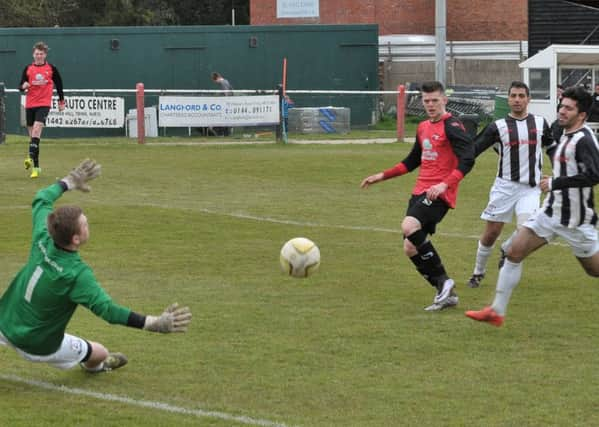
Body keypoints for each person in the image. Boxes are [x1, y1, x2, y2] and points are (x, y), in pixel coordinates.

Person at [0, 159, 192, 372]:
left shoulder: (42, 237)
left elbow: (41, 198)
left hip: (4, 322)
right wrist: (153, 323)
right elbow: (109, 311)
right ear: (75, 239)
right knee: (99, 352)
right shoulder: (77, 274)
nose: (88, 223)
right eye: (85, 224)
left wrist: (68, 181)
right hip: (37, 345)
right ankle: (97, 367)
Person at [466, 86, 599, 327]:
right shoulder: (562, 131)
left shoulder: (585, 140)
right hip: (549, 213)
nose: (561, 111)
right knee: (513, 252)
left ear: (581, 115)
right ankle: (496, 311)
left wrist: (556, 182)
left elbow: (594, 175)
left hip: (576, 220)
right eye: (561, 106)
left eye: (568, 108)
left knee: (594, 270)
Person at [360, 81, 475, 311]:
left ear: (445, 100)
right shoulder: (423, 127)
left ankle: (444, 280)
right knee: (410, 247)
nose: (431, 105)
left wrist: (445, 185)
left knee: (409, 225)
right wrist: (381, 176)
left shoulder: (452, 125)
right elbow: (412, 161)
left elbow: (468, 158)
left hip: (439, 194)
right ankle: (446, 294)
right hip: (420, 191)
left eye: (435, 100)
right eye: (426, 101)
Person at [467, 81, 555, 289]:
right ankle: (478, 272)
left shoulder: (541, 123)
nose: (517, 100)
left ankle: (506, 250)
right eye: (513, 96)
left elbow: (552, 148)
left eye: (521, 96)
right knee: (491, 233)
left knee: (526, 231)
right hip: (504, 187)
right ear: (508, 99)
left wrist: (556, 174)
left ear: (528, 99)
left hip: (530, 189)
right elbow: (474, 150)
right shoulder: (497, 127)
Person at [19, 41, 65, 179]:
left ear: (45, 55)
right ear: (33, 55)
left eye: (41, 54)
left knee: (37, 129)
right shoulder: (28, 68)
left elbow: (59, 85)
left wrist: (61, 101)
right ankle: (36, 167)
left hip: (44, 104)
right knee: (33, 137)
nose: (39, 56)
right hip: (30, 104)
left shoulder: (51, 68)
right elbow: (20, 86)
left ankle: (29, 157)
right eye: (37, 54)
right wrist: (23, 86)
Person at [211, 72, 233, 136]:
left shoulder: (223, 82)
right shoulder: (226, 81)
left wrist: (225, 102)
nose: (215, 82)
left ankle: (224, 133)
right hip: (227, 102)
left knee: (224, 118)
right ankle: (225, 133)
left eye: (215, 81)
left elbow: (227, 93)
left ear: (217, 78)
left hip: (226, 103)